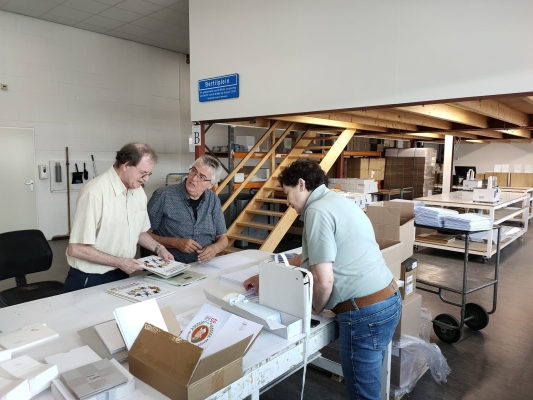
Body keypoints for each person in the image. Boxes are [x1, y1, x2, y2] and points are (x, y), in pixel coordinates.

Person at [243, 160, 401, 400]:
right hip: (388, 299)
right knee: (370, 386)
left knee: (363, 395)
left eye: (287, 193)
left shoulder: (315, 211)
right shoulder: (336, 201)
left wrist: (315, 307)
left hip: (363, 314)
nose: (287, 202)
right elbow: (311, 255)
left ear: (301, 184)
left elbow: (323, 281)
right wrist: (268, 273)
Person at [64, 143, 174, 292]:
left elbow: (138, 232)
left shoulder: (138, 192)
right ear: (126, 165)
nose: (146, 179)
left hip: (121, 272)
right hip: (91, 277)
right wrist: (120, 262)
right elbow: (76, 249)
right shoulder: (95, 193)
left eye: (149, 174)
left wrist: (159, 248)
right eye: (143, 173)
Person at [147, 155, 228, 264]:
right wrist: (175, 243)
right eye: (194, 171)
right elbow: (143, 234)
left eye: (202, 177)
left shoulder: (213, 200)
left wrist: (214, 249)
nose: (194, 178)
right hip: (170, 265)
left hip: (203, 266)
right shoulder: (163, 195)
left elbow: (223, 237)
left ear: (210, 185)